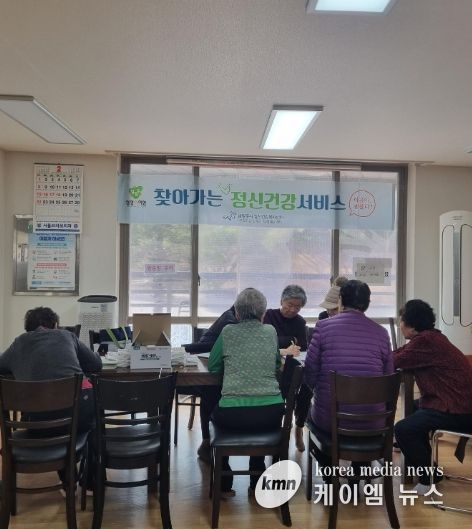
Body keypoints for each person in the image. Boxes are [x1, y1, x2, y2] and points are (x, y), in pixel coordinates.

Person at [0, 306, 102, 492]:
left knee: (54, 418)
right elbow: (95, 365)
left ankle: (68, 480)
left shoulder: (18, 343)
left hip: (38, 424)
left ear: (28, 329)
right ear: (55, 325)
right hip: (78, 416)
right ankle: (91, 482)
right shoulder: (67, 336)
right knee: (94, 417)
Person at [304, 280, 393, 479]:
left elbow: (310, 371)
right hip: (374, 422)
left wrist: (317, 390)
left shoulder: (323, 327)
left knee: (311, 417)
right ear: (367, 304)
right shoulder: (382, 333)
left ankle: (330, 478)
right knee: (363, 414)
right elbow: (389, 379)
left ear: (341, 301)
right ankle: (358, 473)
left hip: (331, 421)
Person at [208, 288, 285, 495]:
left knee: (213, 410)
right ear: (263, 313)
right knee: (259, 417)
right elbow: (276, 364)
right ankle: (257, 476)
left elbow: (213, 366)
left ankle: (224, 481)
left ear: (237, 313)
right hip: (271, 414)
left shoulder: (228, 331)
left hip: (233, 415)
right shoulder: (270, 331)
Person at [393, 299, 472, 494]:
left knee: (403, 429)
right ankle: (421, 459)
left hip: (456, 409)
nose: (400, 325)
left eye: (401, 321)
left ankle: (429, 477)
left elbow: (394, 360)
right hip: (457, 403)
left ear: (411, 325)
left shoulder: (426, 341)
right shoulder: (433, 337)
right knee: (412, 408)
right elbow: (401, 353)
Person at [263, 284, 309, 451]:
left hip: (292, 366)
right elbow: (266, 341)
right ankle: (275, 429)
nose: (293, 310)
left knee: (307, 389)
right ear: (281, 301)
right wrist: (289, 340)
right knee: (281, 388)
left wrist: (284, 342)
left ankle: (299, 427)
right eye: (290, 305)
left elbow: (303, 346)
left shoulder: (300, 321)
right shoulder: (269, 315)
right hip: (271, 367)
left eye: (298, 307)